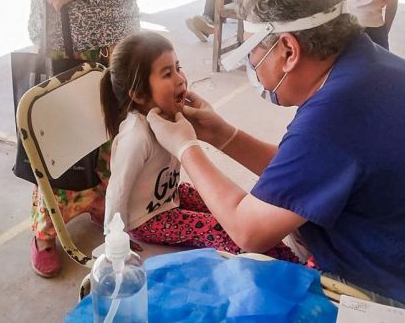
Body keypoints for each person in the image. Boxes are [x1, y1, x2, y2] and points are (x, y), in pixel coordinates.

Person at [146, 0, 405, 322]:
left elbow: (247, 229)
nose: (250, 64)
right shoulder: (365, 69)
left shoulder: (338, 113)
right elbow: (305, 177)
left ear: (287, 50)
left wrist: (185, 148)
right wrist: (221, 135)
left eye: (251, 51)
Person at [99, 31, 298, 263]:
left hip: (170, 197)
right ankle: (289, 266)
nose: (180, 79)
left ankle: (285, 258)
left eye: (177, 67)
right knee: (220, 229)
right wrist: (115, 236)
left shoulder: (171, 118)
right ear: (139, 94)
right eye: (166, 74)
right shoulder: (136, 136)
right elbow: (117, 189)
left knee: (236, 208)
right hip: (148, 219)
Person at [24, 0, 151, 278]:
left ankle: (108, 209)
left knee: (118, 140)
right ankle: (46, 229)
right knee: (59, 142)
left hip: (120, 43)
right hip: (65, 43)